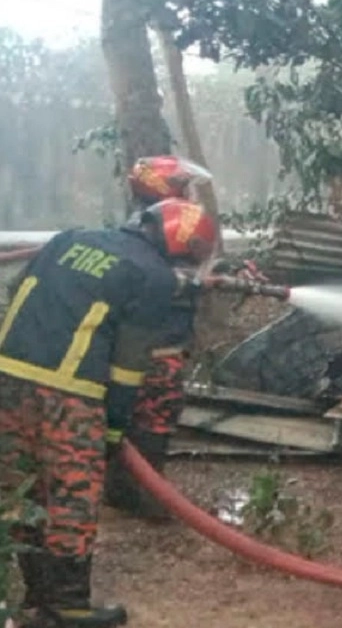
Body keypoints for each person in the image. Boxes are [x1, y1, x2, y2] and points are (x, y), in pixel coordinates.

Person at [0, 198, 217, 627]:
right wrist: (116, 427)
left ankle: (33, 600)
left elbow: (19, 290)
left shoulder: (71, 238)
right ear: (182, 246)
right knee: (72, 494)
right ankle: (69, 606)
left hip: (7, 373)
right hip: (68, 390)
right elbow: (128, 363)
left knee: (21, 488)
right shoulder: (152, 276)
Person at [103, 156, 213, 520]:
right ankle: (148, 499)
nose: (188, 194)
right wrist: (203, 280)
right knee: (155, 421)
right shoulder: (167, 229)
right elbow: (171, 281)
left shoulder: (141, 227)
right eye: (182, 186)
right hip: (156, 349)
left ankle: (120, 489)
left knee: (130, 423)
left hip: (135, 345)